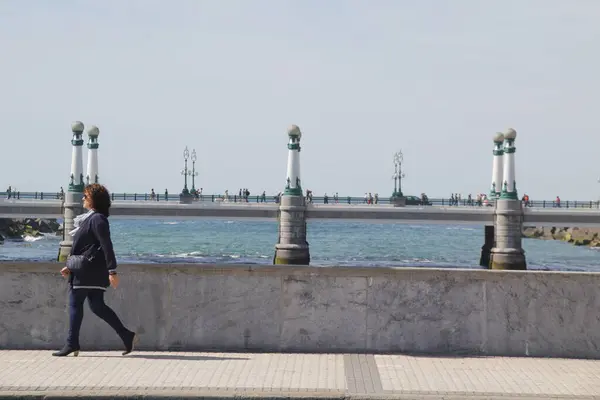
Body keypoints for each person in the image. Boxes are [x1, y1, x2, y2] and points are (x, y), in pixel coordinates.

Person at [53, 183, 137, 357]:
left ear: (93, 200)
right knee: (97, 306)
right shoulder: (90, 219)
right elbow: (85, 247)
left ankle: (72, 344)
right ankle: (126, 335)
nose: (82, 199)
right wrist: (69, 266)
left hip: (86, 272)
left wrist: (112, 271)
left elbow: (107, 245)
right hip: (89, 270)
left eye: (85, 196)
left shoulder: (97, 219)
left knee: (75, 304)